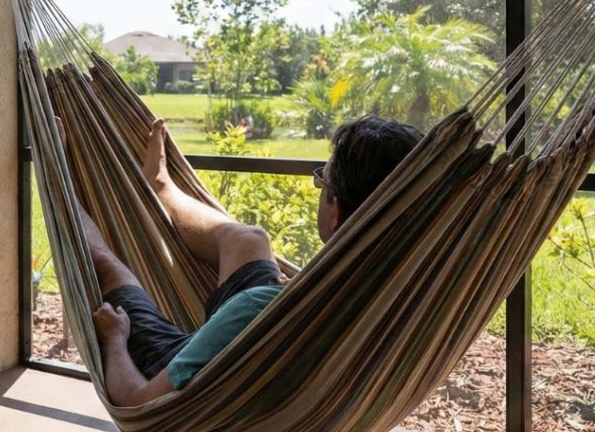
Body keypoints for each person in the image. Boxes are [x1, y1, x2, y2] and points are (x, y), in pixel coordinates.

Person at [84, 114, 424, 406]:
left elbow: (137, 400)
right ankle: (159, 186)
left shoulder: (257, 309)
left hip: (196, 387)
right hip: (291, 350)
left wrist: (115, 339)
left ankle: (64, 195)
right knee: (249, 240)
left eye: (323, 180)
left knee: (108, 265)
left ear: (336, 212)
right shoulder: (413, 291)